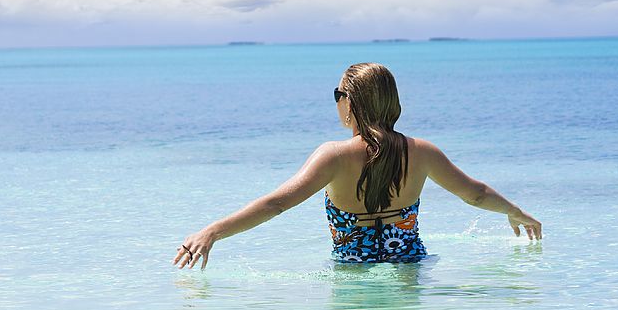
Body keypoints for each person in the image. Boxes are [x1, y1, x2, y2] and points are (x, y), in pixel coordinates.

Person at [173, 62, 542, 269]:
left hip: (352, 279)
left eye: (338, 94)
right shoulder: (422, 152)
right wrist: (515, 211)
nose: (335, 102)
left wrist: (214, 231)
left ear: (351, 102)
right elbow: (475, 195)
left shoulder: (333, 156)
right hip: (410, 271)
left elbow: (277, 204)